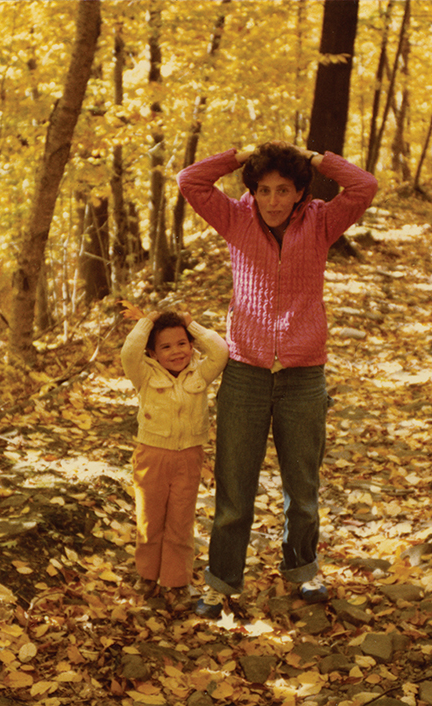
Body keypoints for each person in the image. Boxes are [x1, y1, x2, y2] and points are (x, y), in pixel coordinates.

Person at [177, 141, 378, 618]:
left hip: (303, 374)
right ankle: (221, 583)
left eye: (282, 190)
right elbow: (190, 180)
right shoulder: (235, 220)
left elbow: (365, 185)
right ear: (253, 191)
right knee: (233, 491)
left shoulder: (323, 222)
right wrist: (237, 156)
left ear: (300, 193)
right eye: (263, 190)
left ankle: (303, 571)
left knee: (302, 490)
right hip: (245, 373)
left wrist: (315, 159)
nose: (272, 200)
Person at [121, 310, 229, 607]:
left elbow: (220, 350)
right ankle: (146, 575)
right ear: (152, 352)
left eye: (182, 343)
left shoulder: (200, 372)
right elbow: (130, 350)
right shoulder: (144, 374)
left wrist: (191, 325)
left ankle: (176, 582)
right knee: (150, 518)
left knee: (180, 522)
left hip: (189, 456)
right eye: (166, 347)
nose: (176, 351)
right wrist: (148, 321)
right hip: (152, 456)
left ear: (192, 344)